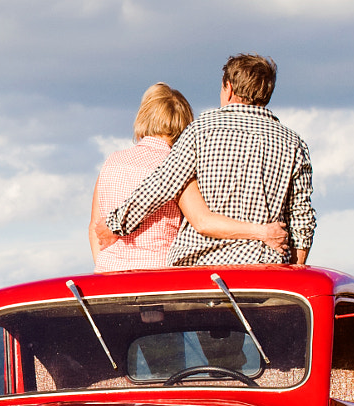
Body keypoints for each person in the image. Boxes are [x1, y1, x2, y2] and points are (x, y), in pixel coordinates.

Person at [103, 54, 315, 267]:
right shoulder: (294, 144)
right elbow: (301, 219)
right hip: (263, 269)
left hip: (199, 267)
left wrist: (116, 223)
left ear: (228, 87)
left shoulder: (201, 130)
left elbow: (161, 184)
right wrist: (294, 270)